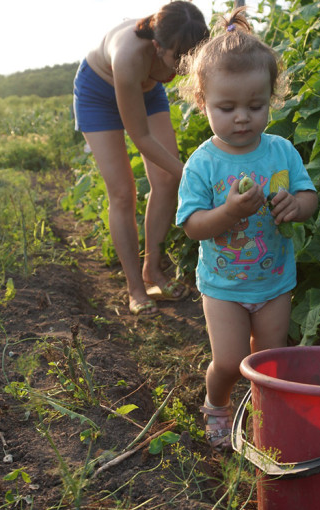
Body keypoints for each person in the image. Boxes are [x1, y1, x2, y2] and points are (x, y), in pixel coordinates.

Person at [176, 7, 319, 450]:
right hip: (224, 285)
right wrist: (229, 213)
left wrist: (296, 205)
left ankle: (264, 418)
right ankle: (217, 404)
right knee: (229, 360)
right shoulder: (203, 163)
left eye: (255, 106)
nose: (242, 117)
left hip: (274, 279)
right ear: (202, 101)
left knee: (270, 360)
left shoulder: (281, 152)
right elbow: (193, 226)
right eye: (227, 107)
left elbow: (309, 197)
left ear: (271, 98)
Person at [73, 1, 209, 316]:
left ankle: (153, 271)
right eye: (180, 59)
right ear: (157, 46)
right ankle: (135, 288)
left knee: (167, 180)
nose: (186, 66)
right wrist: (192, 173)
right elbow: (142, 138)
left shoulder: (183, 40)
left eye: (193, 57)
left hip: (146, 90)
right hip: (98, 93)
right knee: (123, 193)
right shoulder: (129, 56)